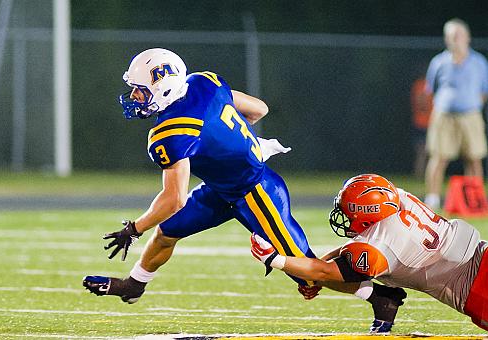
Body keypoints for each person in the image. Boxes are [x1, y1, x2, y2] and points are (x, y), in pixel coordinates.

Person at [82, 48, 405, 334]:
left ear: (164, 88)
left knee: (309, 273)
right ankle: (134, 285)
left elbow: (174, 198)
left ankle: (382, 298)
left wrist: (135, 228)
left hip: (256, 191)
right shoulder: (204, 82)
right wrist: (234, 141)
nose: (135, 97)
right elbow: (258, 110)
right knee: (167, 233)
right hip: (221, 189)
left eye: (139, 91)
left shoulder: (171, 132)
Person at [252, 174, 488, 332]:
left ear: (367, 215)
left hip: (476, 290)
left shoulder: (379, 248)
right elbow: (340, 258)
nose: (344, 218)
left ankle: (382, 298)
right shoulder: (400, 198)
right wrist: (316, 272)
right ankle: (381, 298)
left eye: (348, 213)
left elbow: (324, 271)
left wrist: (274, 259)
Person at [424, 18, 488, 209]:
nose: (456, 39)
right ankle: (432, 198)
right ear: (446, 39)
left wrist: (471, 103)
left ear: (467, 37)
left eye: (459, 35)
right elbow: (432, 89)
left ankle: (474, 200)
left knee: (474, 158)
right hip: (444, 115)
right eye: (452, 36)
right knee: (438, 157)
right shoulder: (439, 62)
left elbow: (484, 91)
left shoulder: (479, 62)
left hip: (470, 115)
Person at [410, 75, 433, 178]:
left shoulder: (419, 85)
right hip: (423, 123)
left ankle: (425, 176)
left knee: (427, 153)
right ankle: (419, 175)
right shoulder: (421, 85)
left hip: (428, 123)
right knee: (422, 153)